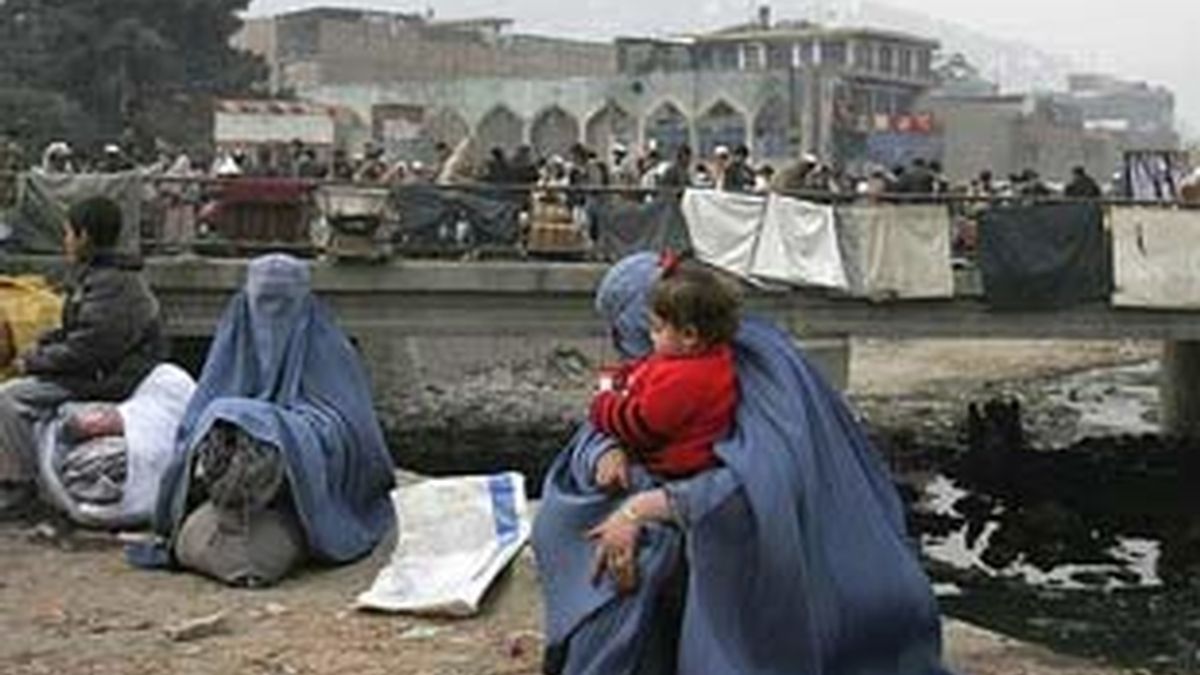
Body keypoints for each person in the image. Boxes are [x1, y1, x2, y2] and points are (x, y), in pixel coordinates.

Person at [534, 252, 950, 675]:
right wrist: (606, 448)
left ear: (677, 325)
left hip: (778, 547)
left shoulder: (759, 373)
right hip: (677, 499)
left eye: (633, 329)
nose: (621, 341)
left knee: (638, 553)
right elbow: (604, 418)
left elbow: (762, 486)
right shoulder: (670, 354)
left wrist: (641, 509)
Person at [145, 254, 396, 587]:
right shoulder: (234, 347)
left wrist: (285, 433)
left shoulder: (327, 351)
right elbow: (194, 427)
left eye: (283, 304)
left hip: (310, 491)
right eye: (262, 303)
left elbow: (355, 435)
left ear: (305, 304)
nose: (271, 316)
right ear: (246, 301)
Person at [0, 197, 164, 512]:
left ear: (84, 236)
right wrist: (40, 347)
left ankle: (19, 484)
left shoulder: (113, 283)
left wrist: (32, 362)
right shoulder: (100, 275)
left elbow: (90, 349)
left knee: (7, 398)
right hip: (95, 370)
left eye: (68, 233)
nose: (66, 241)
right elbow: (73, 330)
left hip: (107, 379)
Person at [590, 255, 738, 489]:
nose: (651, 334)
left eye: (656, 328)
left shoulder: (684, 378)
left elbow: (641, 423)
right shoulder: (698, 356)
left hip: (669, 474)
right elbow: (638, 370)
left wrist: (603, 404)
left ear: (689, 334)